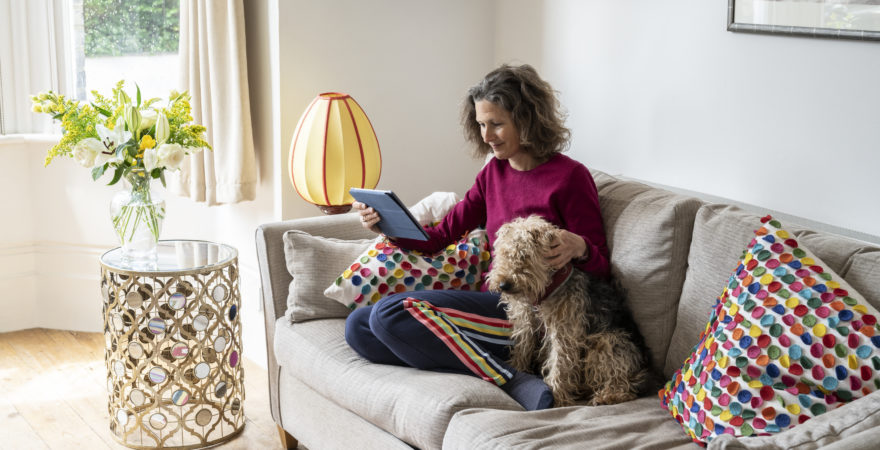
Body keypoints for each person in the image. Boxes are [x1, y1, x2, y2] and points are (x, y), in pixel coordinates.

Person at [344, 64, 610, 411]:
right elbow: (439, 238)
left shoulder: (570, 177)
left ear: (527, 119)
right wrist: (385, 224)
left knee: (389, 316)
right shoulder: (493, 174)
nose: (486, 136)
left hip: (533, 318)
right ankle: (478, 364)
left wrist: (582, 247)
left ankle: (515, 381)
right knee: (359, 328)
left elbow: (603, 267)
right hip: (493, 300)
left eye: (496, 124)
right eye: (482, 124)